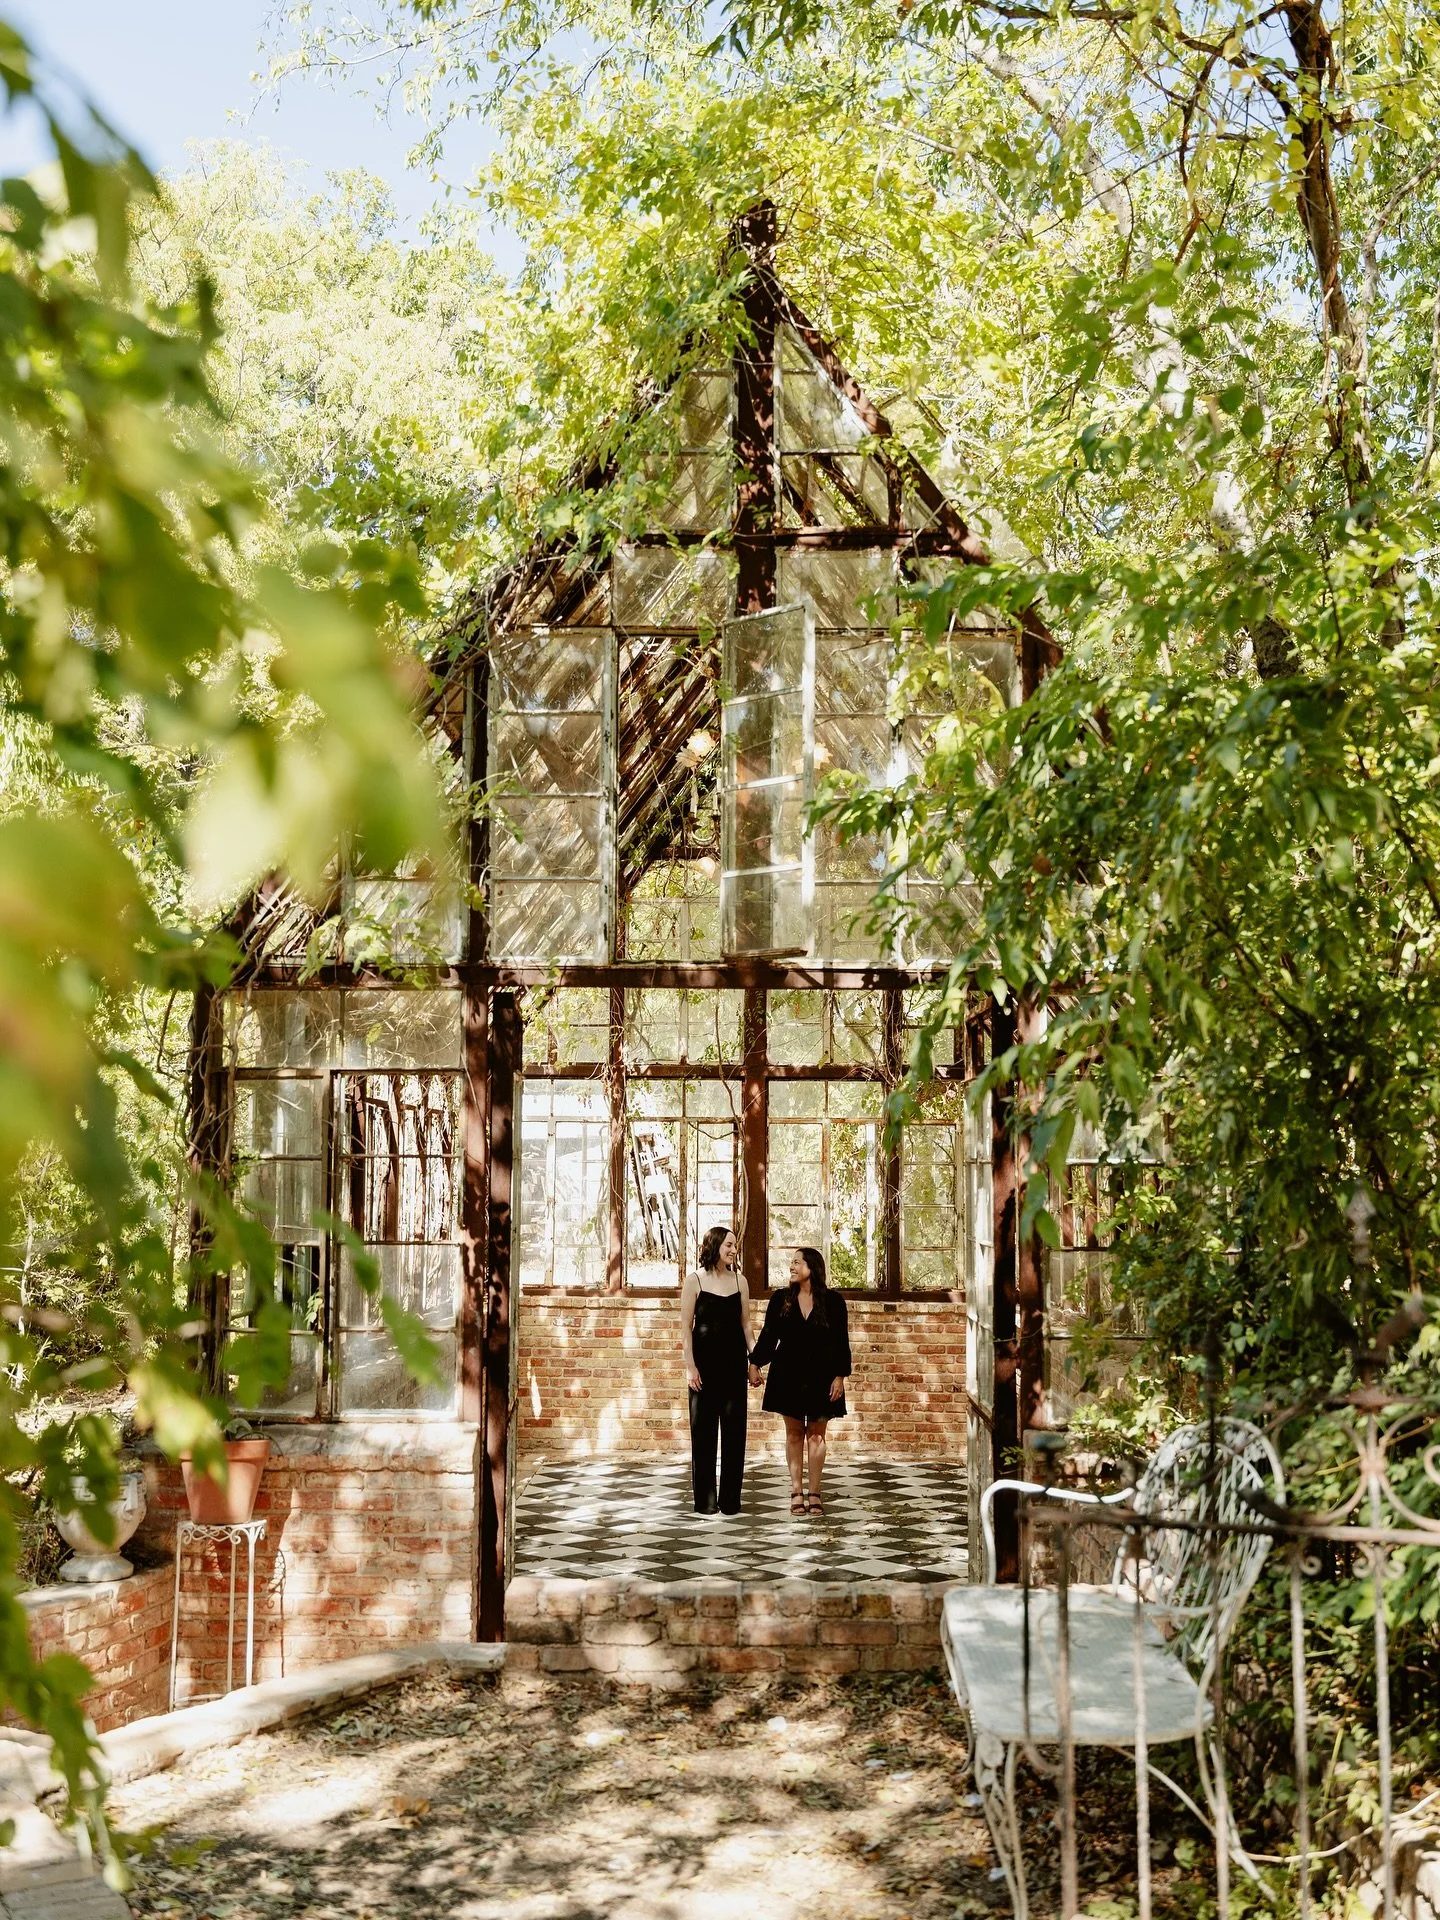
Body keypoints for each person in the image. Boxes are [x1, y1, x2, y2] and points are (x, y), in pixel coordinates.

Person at [747, 1247, 851, 1516]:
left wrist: (840, 1376)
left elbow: (841, 1342)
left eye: (796, 1262)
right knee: (794, 1434)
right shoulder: (781, 1299)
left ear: (812, 1267)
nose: (791, 1266)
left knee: (817, 1434)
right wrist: (755, 1362)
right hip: (788, 1374)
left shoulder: (834, 1301)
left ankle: (815, 1493)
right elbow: (769, 1335)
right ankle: (796, 1491)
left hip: (823, 1375)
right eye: (790, 1262)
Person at [681, 1224, 753, 1515]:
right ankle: (706, 1502)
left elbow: (746, 1324)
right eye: (729, 1245)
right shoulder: (694, 1280)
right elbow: (685, 1326)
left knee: (735, 1434)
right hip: (704, 1367)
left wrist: (755, 1361)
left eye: (735, 1246)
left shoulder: (740, 1281)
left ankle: (731, 1502)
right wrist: (690, 1367)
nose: (734, 1250)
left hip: (735, 1365)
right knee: (704, 1434)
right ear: (714, 1246)